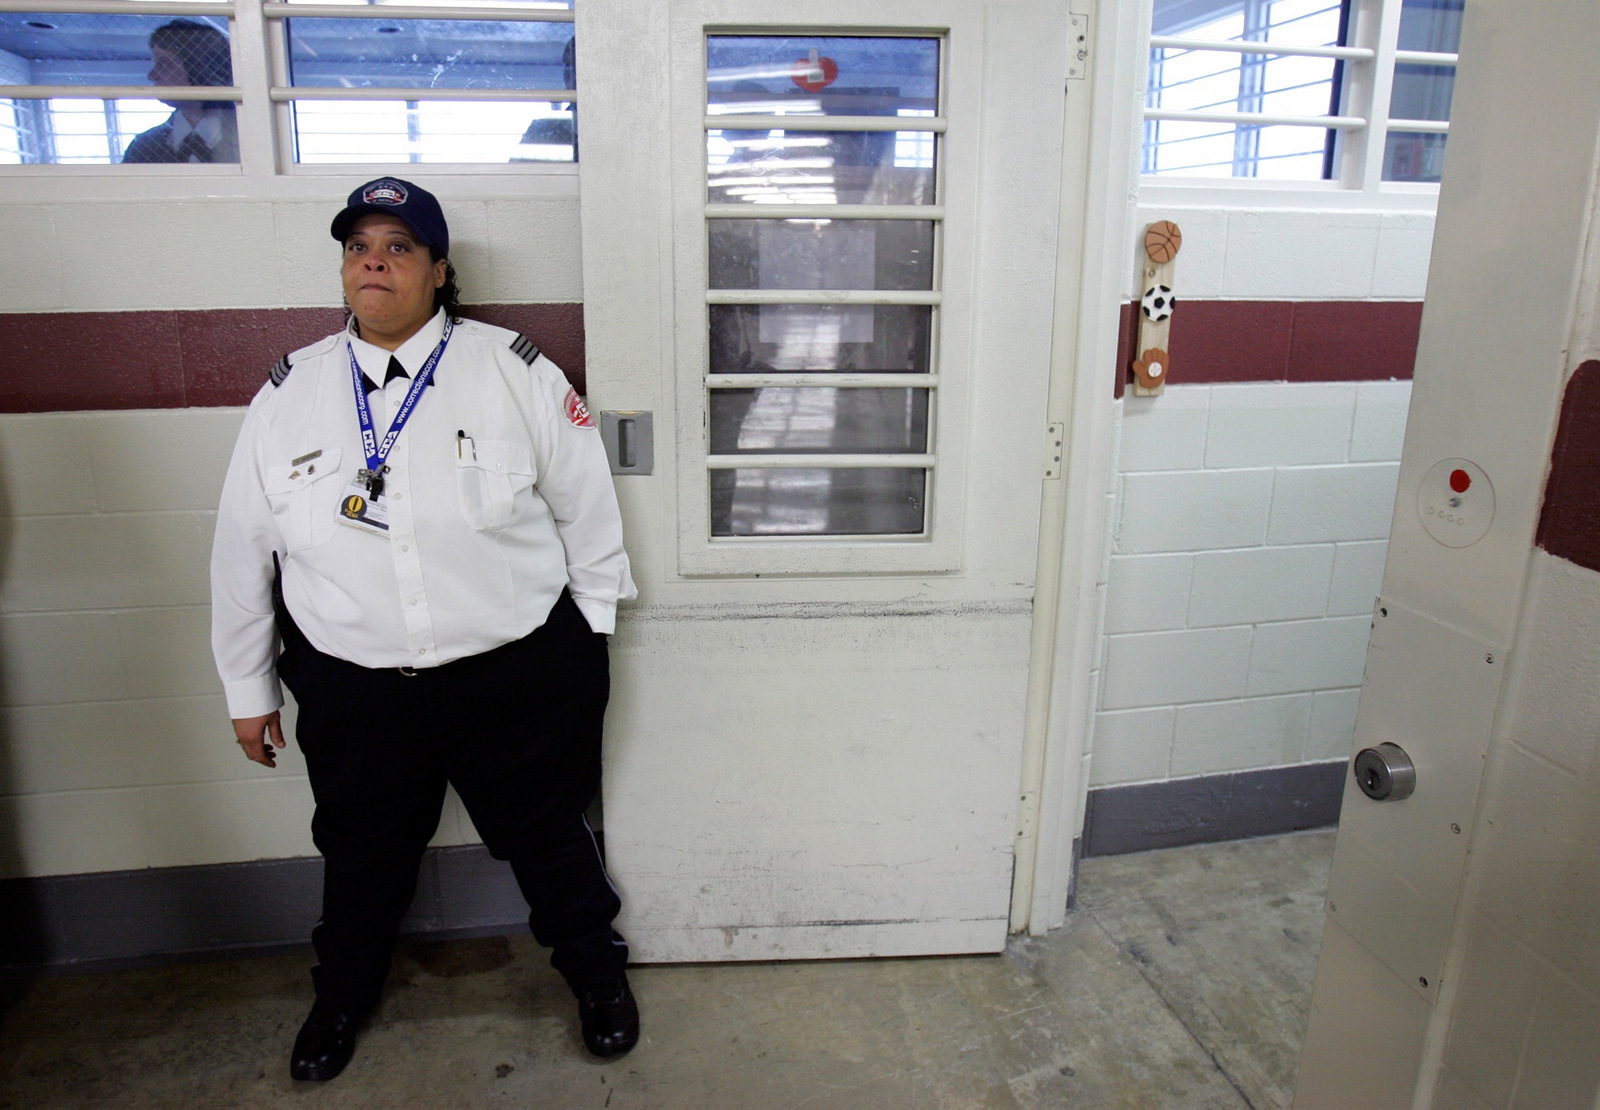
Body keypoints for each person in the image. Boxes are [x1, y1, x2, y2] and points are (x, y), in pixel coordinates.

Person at [209, 177, 639, 1082]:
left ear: (440, 272)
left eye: (400, 246)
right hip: (356, 684)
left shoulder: (513, 371)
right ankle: (341, 998)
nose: (375, 259)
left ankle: (598, 978)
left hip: (511, 675)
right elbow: (242, 551)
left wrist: (587, 650)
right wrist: (248, 691)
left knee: (551, 840)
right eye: (360, 245)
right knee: (361, 858)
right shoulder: (289, 392)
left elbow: (589, 516)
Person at [122, 19, 238, 164]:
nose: (152, 75)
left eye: (165, 64)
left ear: (198, 68)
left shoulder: (251, 140)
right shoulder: (144, 148)